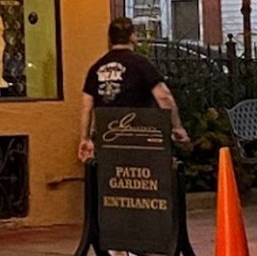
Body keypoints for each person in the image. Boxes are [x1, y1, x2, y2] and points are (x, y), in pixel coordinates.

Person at [78, 17, 190, 165]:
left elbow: (87, 107)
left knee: (111, 180)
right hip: (140, 136)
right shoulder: (141, 64)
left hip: (108, 138)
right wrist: (177, 127)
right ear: (132, 36)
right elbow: (164, 97)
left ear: (110, 39)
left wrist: (85, 139)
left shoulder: (96, 68)